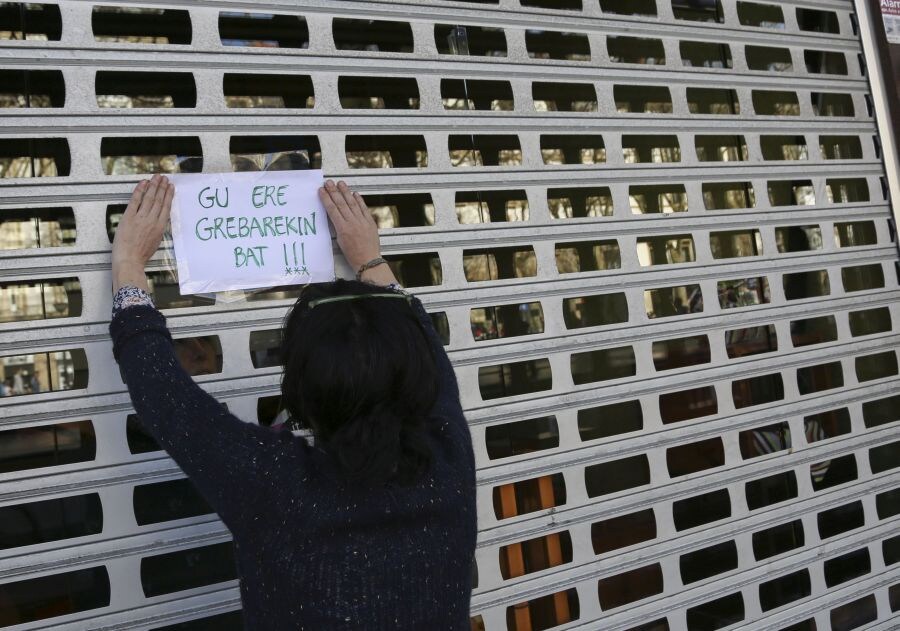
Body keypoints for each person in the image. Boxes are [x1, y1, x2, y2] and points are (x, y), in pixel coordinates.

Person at [109, 175, 476, 630]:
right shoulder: (447, 464)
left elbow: (165, 397)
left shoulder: (276, 486)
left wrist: (128, 264)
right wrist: (371, 260)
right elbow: (430, 362)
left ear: (298, 394)